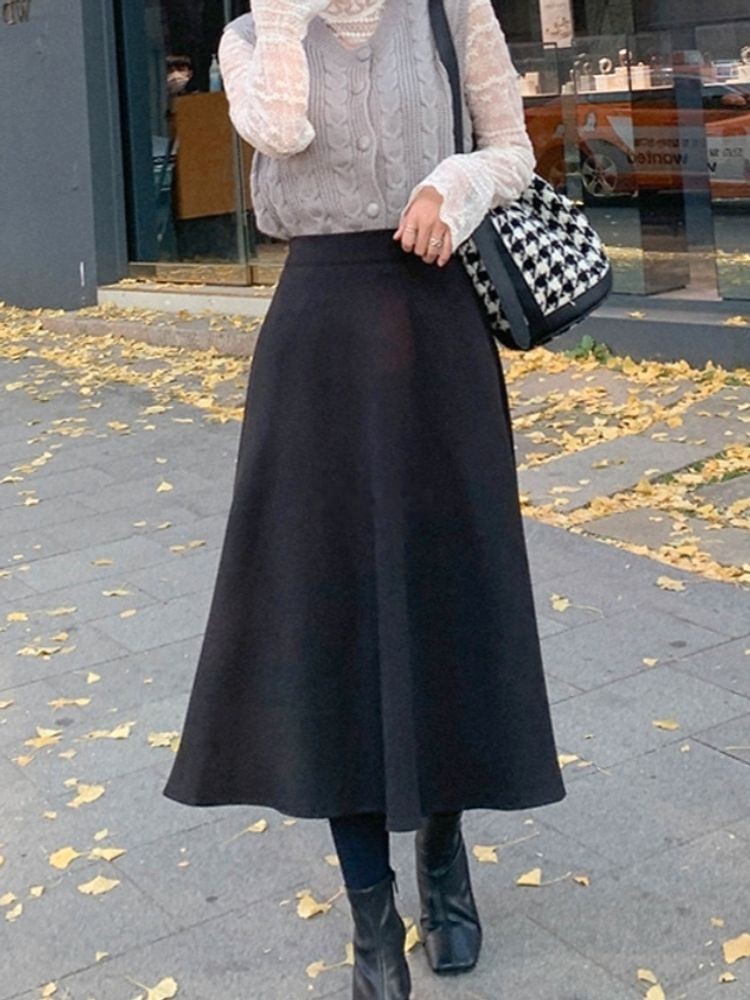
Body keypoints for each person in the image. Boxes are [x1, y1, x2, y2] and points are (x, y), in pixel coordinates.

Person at [162, 1, 567, 996]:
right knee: (327, 617)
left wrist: (450, 184)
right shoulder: (250, 37)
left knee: (443, 597)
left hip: (437, 328)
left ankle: (443, 851)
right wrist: (283, 18)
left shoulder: (450, 9)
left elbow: (513, 151)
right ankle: (371, 916)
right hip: (319, 344)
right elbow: (278, 132)